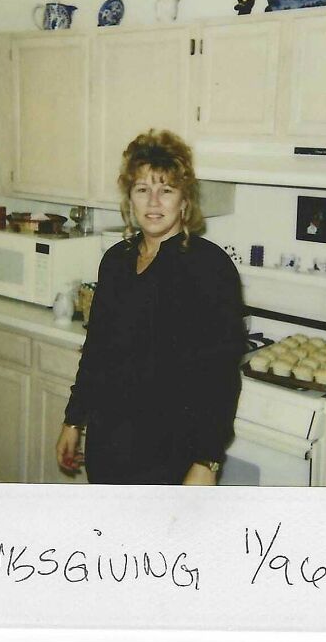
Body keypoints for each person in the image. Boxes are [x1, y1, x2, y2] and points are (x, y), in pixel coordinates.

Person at [55, 130, 246, 485]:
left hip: (171, 453)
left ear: (184, 201)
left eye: (166, 190)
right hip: (108, 443)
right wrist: (73, 420)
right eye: (143, 189)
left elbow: (220, 376)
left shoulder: (209, 268)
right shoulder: (115, 262)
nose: (154, 202)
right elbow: (97, 351)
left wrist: (207, 461)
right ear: (130, 199)